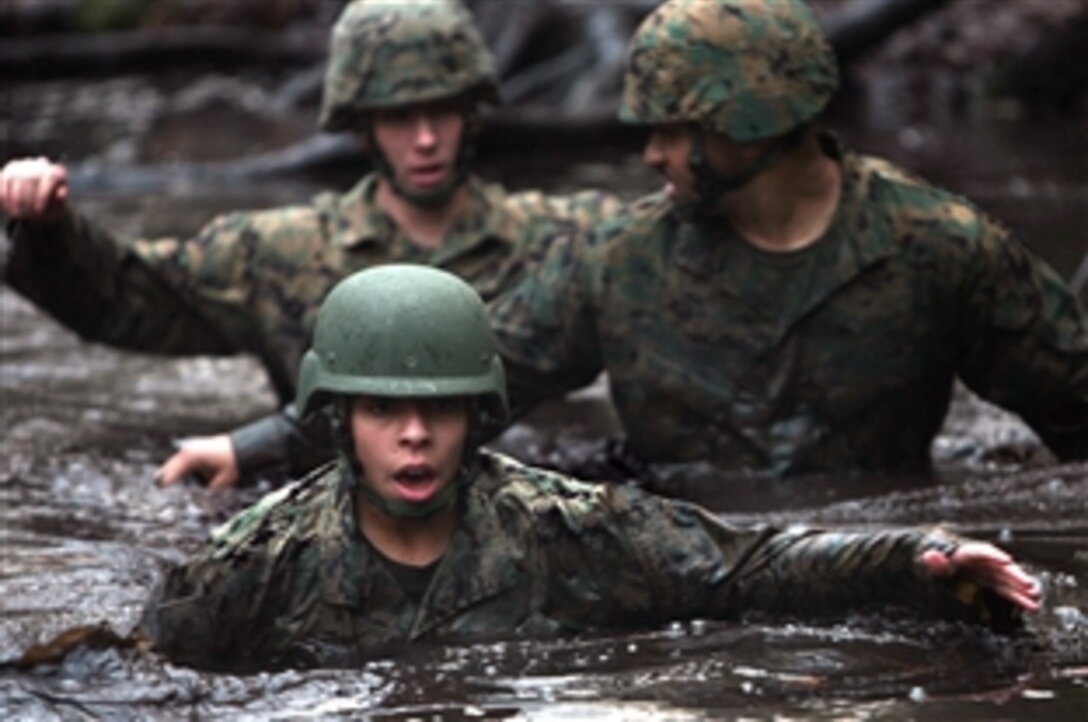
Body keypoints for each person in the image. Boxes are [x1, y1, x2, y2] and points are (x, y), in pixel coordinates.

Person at [141, 265, 1041, 671]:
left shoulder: (568, 528)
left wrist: (916, 557)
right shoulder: (248, 569)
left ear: (478, 414)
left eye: (439, 409)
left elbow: (747, 568)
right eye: (383, 411)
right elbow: (128, 679)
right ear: (339, 419)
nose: (413, 436)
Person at [0, 0, 620, 488]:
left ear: (474, 114)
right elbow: (123, 299)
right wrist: (50, 228)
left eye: (444, 112)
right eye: (400, 117)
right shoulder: (280, 253)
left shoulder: (566, 242)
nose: (426, 138)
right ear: (360, 126)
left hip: (533, 501)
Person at [490, 0, 1087, 477]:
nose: (650, 156)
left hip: (880, 577)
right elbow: (465, 397)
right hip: (683, 584)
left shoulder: (942, 250)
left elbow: (1075, 415)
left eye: (673, 130)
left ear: (747, 124)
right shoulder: (618, 258)